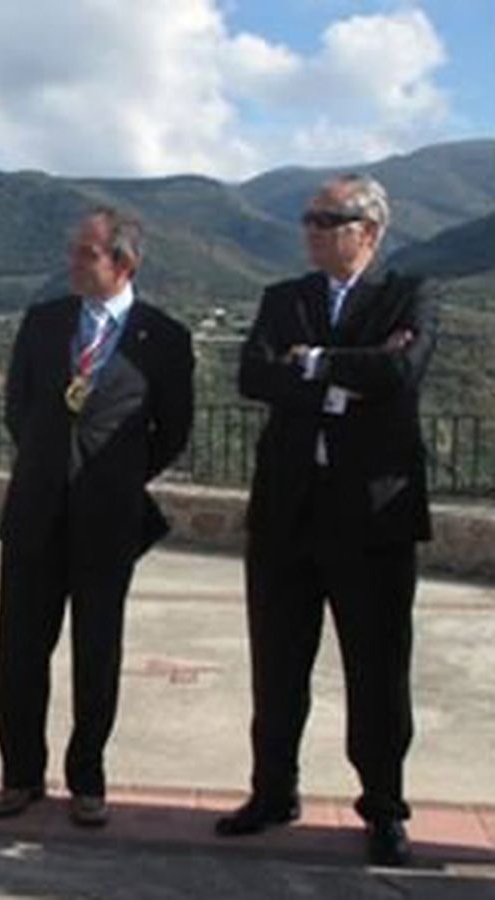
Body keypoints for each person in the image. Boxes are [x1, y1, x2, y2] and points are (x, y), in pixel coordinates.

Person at [217, 174, 434, 867]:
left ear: (367, 231)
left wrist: (310, 364)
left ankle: (384, 808)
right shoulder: (284, 298)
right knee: (277, 666)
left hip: (372, 520)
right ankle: (272, 791)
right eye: (308, 218)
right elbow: (252, 376)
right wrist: (344, 383)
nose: (309, 229)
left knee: (377, 672)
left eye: (325, 218)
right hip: (285, 513)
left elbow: (401, 375)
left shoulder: (409, 294)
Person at [0, 208, 194, 828]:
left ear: (123, 264)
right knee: (19, 650)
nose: (72, 262)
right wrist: (53, 461)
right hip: (34, 513)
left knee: (96, 652)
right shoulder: (44, 322)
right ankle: (20, 775)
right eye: (73, 250)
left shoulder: (164, 336)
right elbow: (17, 408)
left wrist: (116, 476)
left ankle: (87, 778)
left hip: (108, 519)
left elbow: (172, 431)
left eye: (85, 254)